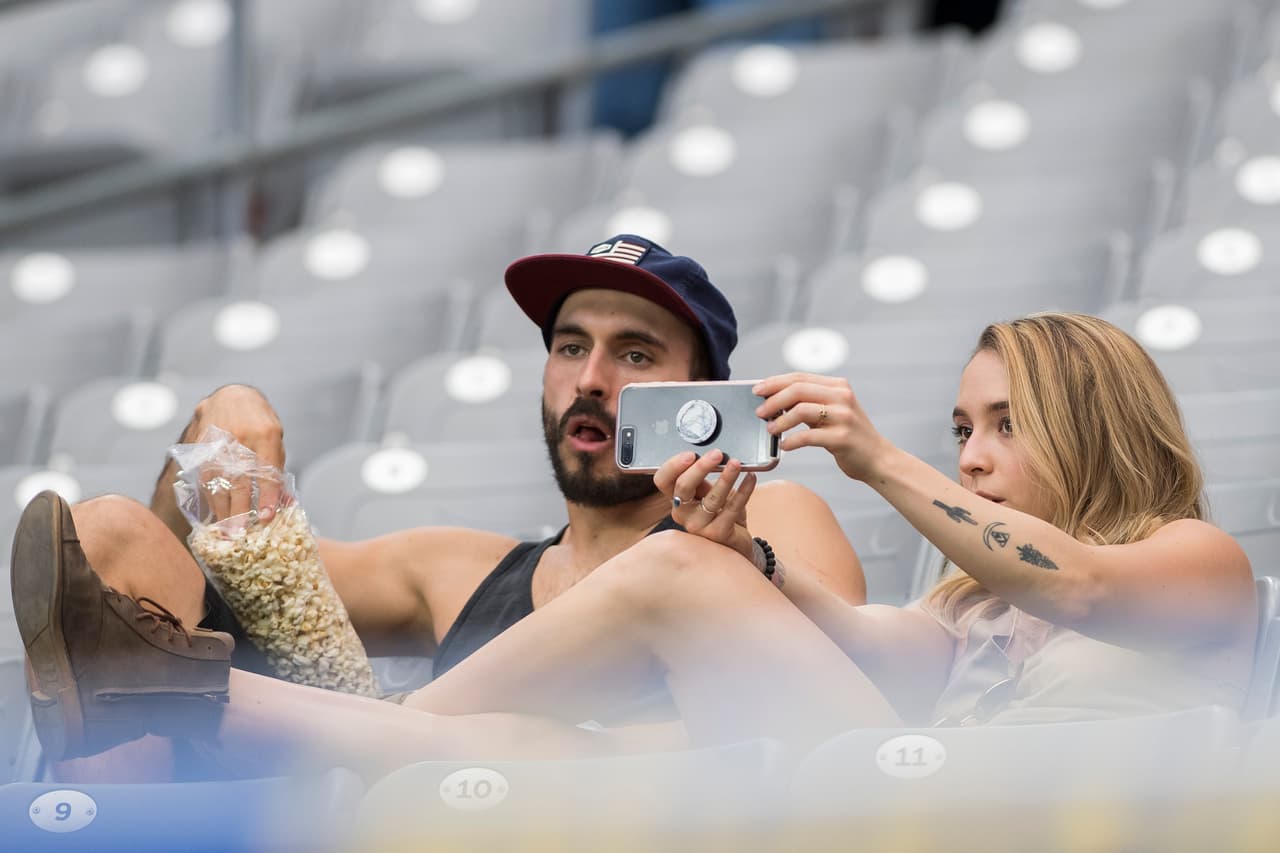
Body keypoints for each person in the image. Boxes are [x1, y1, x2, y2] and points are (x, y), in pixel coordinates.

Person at [13, 310, 1257, 782]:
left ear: (1092, 422)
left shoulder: (1196, 558)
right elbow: (881, 650)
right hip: (907, 786)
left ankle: (261, 732)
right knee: (548, 736)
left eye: (1003, 424)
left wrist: (880, 459)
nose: (971, 455)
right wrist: (747, 569)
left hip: (1002, 807)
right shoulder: (968, 606)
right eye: (957, 430)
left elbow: (1082, 581)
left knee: (663, 580)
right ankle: (174, 696)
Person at [13, 234, 866, 781]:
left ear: (700, 396)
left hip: (630, 819)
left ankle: (288, 727)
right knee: (106, 534)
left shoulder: (771, 523)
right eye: (570, 346)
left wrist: (741, 562)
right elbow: (174, 568)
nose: (591, 379)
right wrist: (212, 437)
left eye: (634, 354)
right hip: (406, 822)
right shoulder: (456, 568)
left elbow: (823, 713)